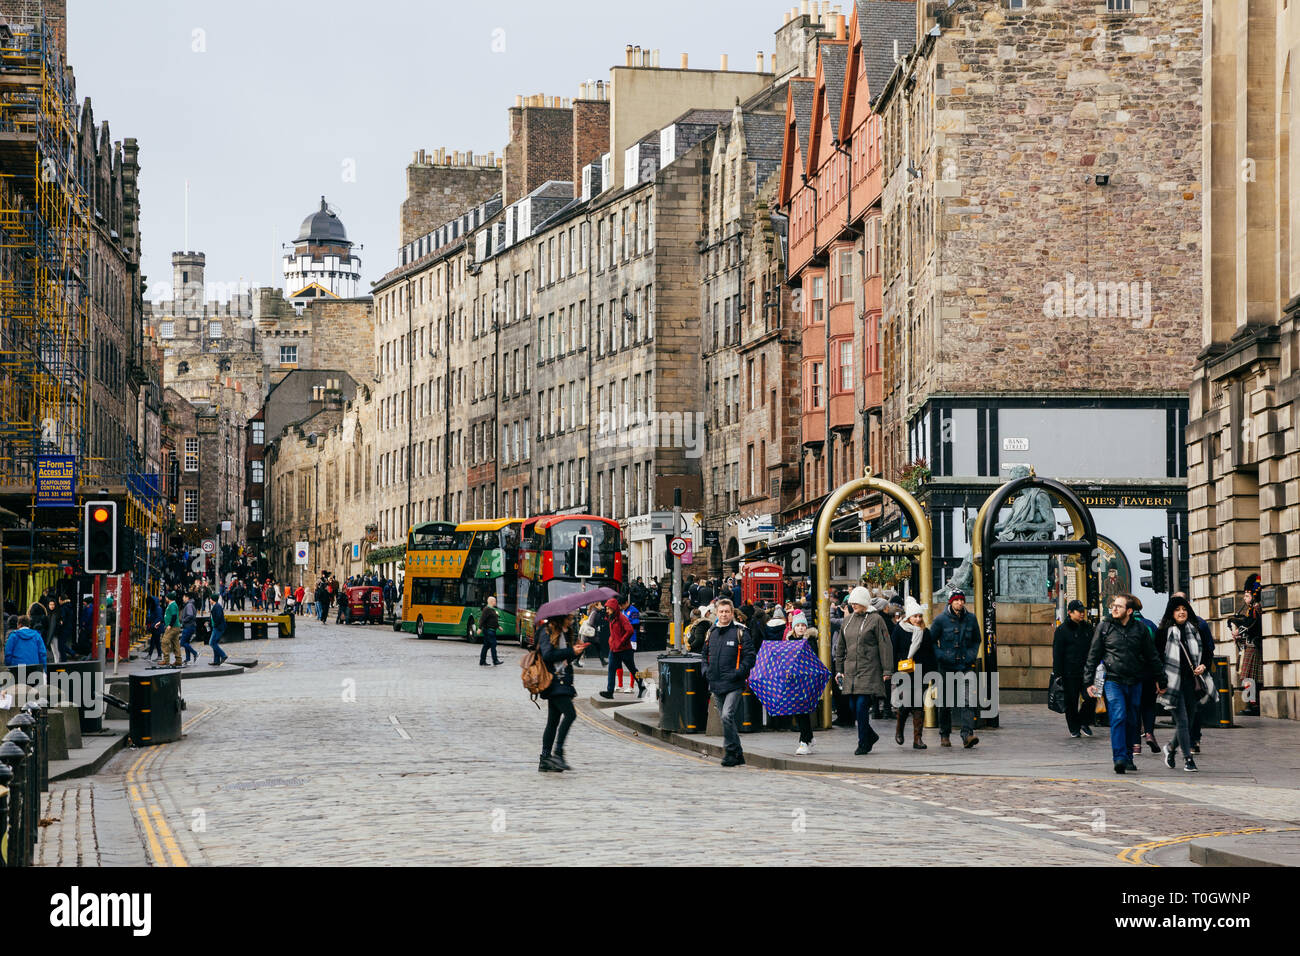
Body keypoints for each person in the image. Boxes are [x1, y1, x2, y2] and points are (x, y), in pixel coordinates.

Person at [1084, 592, 1162, 775]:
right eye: (1113, 606)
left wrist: (1161, 678)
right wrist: (1088, 682)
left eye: (1118, 606)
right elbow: (1093, 656)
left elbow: (1152, 656)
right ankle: (1118, 757)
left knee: (1133, 719)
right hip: (1113, 680)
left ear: (1129, 610)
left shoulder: (1140, 630)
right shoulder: (1104, 627)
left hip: (1135, 680)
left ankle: (1128, 756)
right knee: (1118, 715)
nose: (1114, 609)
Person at [835, 586, 893, 756]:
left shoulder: (876, 620)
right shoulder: (847, 621)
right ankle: (871, 735)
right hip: (851, 670)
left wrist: (887, 670)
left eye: (856, 602)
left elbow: (885, 645)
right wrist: (839, 669)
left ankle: (863, 743)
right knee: (853, 706)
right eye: (852, 602)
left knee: (861, 706)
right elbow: (841, 647)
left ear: (864, 602)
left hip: (870, 669)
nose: (853, 605)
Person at [701, 597, 757, 767]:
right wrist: (706, 671)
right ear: (717, 613)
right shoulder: (711, 632)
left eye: (727, 612)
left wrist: (738, 673)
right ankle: (738, 753)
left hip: (734, 683)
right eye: (721, 611)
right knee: (727, 720)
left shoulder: (741, 632)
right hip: (716, 683)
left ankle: (730, 752)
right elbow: (704, 655)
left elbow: (750, 657)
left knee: (727, 715)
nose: (724, 614)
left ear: (732, 613)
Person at [536, 614, 591, 772]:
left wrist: (577, 651)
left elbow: (567, 658)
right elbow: (547, 655)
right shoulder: (546, 631)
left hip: (563, 680)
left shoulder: (566, 633)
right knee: (570, 714)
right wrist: (570, 650)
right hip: (553, 681)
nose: (572, 621)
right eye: (570, 618)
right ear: (562, 618)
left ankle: (545, 759)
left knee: (552, 722)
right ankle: (558, 754)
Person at [1155, 595, 1203, 772]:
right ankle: (1188, 759)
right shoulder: (1163, 632)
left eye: (1184, 609)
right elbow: (1157, 658)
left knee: (1189, 721)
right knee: (1182, 721)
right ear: (1171, 613)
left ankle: (1170, 747)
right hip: (1172, 682)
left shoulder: (1194, 629)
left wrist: (1203, 664)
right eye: (1177, 610)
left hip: (1191, 682)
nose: (1181, 612)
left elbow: (1206, 651)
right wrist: (1160, 680)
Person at [930, 589, 982, 749]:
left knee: (968, 701)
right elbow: (931, 641)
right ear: (950, 602)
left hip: (965, 666)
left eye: (962, 600)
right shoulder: (940, 620)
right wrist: (941, 656)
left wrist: (971, 656)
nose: (960, 603)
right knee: (945, 703)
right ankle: (944, 734)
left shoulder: (971, 619)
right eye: (956, 600)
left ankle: (967, 735)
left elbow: (976, 640)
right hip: (946, 667)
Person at [891, 597, 936, 750]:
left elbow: (931, 654)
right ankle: (899, 729)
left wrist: (932, 675)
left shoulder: (926, 632)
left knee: (918, 705)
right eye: (915, 616)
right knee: (906, 704)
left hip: (921, 673)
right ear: (908, 617)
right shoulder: (899, 629)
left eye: (919, 616)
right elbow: (893, 650)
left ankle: (918, 739)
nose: (917, 619)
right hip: (904, 672)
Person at [1052, 599, 1096, 738]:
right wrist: (1058, 674)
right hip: (1069, 672)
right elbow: (1057, 653)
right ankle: (1074, 727)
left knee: (1091, 697)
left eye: (1083, 611)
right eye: (1079, 611)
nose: (1082, 613)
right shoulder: (1062, 631)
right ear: (1070, 612)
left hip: (1087, 671)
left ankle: (1083, 721)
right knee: (1070, 702)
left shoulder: (1088, 628)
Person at [786, 610, 820, 755]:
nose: (800, 628)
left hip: (806, 681)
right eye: (798, 625)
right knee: (799, 711)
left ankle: (804, 741)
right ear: (793, 627)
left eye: (803, 625)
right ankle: (809, 737)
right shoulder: (789, 641)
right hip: (794, 681)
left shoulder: (810, 642)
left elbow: (812, 660)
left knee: (802, 711)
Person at [1229, 577, 1263, 716]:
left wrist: (1239, 631)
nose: (1244, 598)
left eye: (1247, 595)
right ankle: (1250, 703)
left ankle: (1253, 705)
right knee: (1246, 677)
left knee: (1249, 677)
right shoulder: (1251, 609)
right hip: (1249, 646)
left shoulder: (1256, 609)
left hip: (1254, 646)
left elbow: (1251, 624)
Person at [600, 597, 644, 699]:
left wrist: (621, 641)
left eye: (608, 608)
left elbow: (630, 631)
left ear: (614, 608)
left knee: (633, 670)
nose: (607, 610)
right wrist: (611, 640)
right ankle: (609, 692)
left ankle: (642, 687)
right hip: (614, 649)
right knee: (611, 669)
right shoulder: (612, 618)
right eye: (606, 609)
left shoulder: (621, 618)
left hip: (624, 649)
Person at [161, 592, 183, 667]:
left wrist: (170, 625)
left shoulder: (172, 605)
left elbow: (174, 616)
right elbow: (168, 615)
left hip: (172, 627)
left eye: (166, 597)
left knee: (164, 641)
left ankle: (166, 660)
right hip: (175, 627)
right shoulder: (171, 605)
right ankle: (178, 660)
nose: (165, 598)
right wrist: (160, 622)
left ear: (169, 598)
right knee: (175, 644)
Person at [479, 595, 502, 666]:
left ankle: (482, 661)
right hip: (489, 630)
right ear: (491, 602)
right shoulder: (487, 609)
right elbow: (482, 619)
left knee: (486, 646)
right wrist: (479, 628)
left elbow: (493, 620)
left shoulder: (492, 609)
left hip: (491, 630)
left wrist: (498, 627)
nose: (496, 602)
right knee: (493, 644)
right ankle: (495, 660)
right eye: (495, 601)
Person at [209, 594, 229, 666]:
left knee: (212, 643)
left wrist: (215, 624)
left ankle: (223, 655)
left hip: (218, 628)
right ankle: (216, 661)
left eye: (210, 599)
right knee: (215, 643)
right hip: (217, 627)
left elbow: (218, 617)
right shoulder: (215, 606)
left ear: (213, 599)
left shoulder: (217, 607)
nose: (209, 600)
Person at [179, 591, 199, 665]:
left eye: (183, 597)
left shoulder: (189, 605)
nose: (182, 598)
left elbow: (190, 615)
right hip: (190, 626)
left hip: (188, 626)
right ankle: (188, 659)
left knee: (183, 642)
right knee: (186, 642)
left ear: (187, 598)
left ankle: (195, 653)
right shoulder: (190, 604)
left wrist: (183, 620)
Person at [145, 595, 164, 661]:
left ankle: (151, 655)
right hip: (154, 627)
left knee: (154, 641)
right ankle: (158, 655)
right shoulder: (153, 608)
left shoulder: (158, 608)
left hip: (157, 627)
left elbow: (159, 618)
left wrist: (153, 625)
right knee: (156, 641)